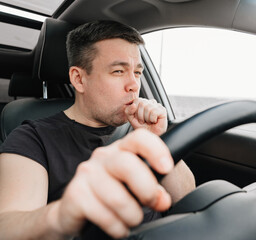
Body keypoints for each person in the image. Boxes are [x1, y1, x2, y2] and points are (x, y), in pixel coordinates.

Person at [0, 20, 195, 239]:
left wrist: (158, 139)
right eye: (119, 71)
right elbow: (7, 227)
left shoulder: (141, 130)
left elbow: (188, 199)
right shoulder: (33, 138)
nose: (134, 85)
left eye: (138, 73)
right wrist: (61, 214)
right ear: (79, 79)